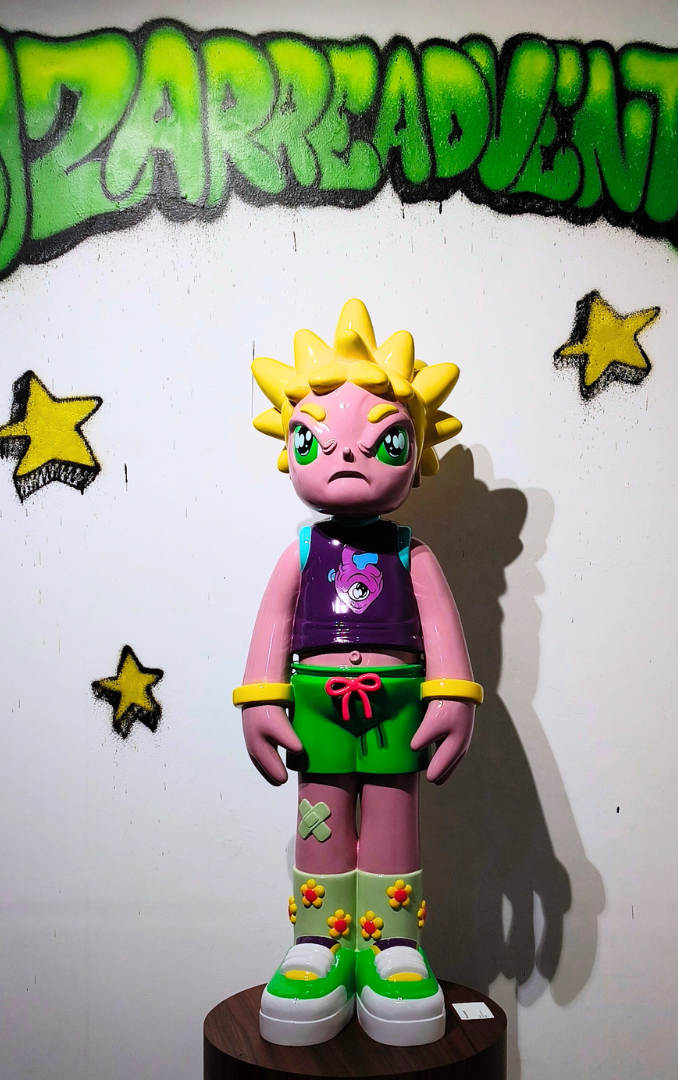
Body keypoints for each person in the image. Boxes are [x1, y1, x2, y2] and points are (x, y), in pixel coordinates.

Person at [233, 300, 482, 1047]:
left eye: (385, 440)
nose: (347, 459)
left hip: (397, 706)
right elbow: (272, 626)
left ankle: (392, 944)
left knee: (394, 812)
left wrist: (454, 697)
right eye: (315, 440)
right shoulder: (304, 553)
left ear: (416, 449)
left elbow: (443, 633)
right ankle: (320, 940)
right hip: (315, 705)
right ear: (290, 446)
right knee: (320, 812)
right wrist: (260, 701)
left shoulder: (411, 553)